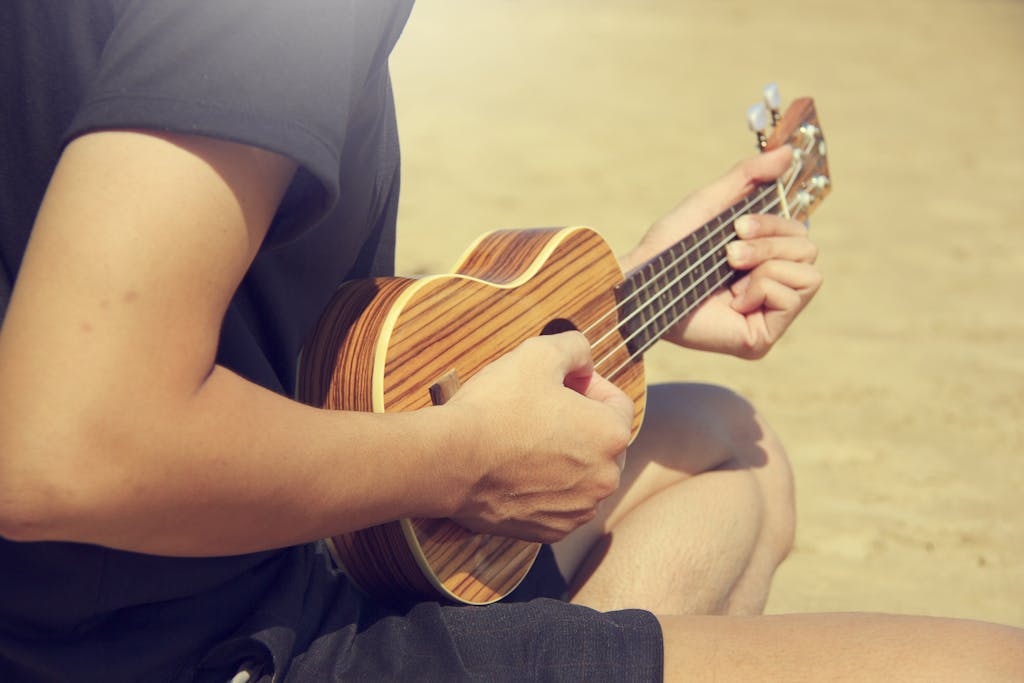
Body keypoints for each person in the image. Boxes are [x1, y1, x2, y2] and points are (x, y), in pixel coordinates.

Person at [0, 2, 1021, 681]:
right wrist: (466, 462)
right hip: (191, 639)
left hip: (124, 587)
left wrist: (627, 303)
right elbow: (63, 446)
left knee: (718, 441)